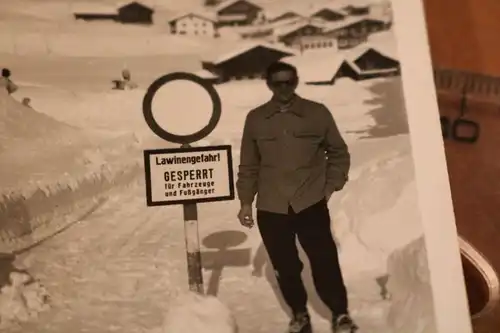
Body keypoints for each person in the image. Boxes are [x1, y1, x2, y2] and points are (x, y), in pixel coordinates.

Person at [236, 61, 356, 333]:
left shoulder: (317, 114)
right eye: (278, 83)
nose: (284, 88)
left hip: (310, 202)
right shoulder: (255, 119)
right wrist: (245, 201)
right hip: (271, 206)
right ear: (268, 84)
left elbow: (338, 152)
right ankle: (300, 314)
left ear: (296, 81)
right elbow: (248, 165)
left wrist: (330, 186)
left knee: (324, 260)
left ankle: (340, 313)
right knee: (285, 265)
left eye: (289, 82)